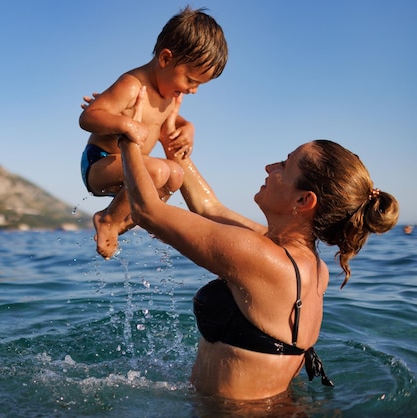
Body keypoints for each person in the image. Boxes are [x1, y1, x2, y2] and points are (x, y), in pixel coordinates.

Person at [117, 88, 400, 400]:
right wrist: (175, 148)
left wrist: (128, 135)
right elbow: (210, 210)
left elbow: (147, 210)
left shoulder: (265, 259)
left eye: (284, 164)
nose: (269, 167)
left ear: (304, 200)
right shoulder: (305, 264)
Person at [79, 6, 227, 259]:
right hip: (100, 162)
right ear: (166, 59)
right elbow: (88, 116)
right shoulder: (132, 85)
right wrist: (124, 124)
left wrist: (187, 128)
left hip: (133, 172)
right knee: (160, 171)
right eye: (191, 81)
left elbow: (171, 120)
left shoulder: (169, 95)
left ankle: (142, 218)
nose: (194, 91)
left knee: (175, 175)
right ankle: (107, 220)